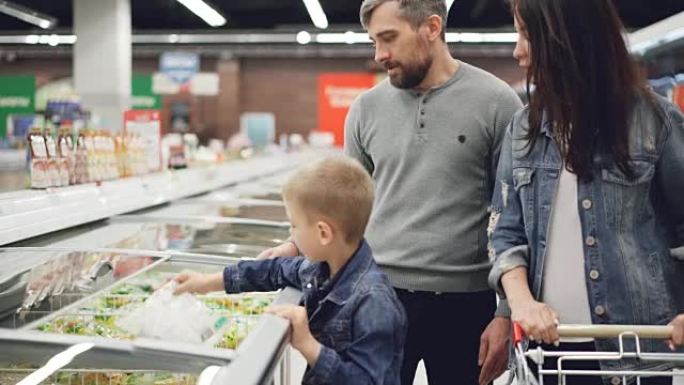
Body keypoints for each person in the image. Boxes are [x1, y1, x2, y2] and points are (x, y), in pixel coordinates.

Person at [260, 2, 522, 384]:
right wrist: (296, 245)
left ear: (431, 27)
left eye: (388, 38)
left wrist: (504, 313)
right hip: (376, 296)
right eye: (373, 42)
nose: (379, 55)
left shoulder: (498, 103)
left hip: (465, 306)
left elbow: (515, 215)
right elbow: (341, 203)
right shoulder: (366, 109)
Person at [488, 0, 684, 384]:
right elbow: (505, 233)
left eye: (527, 35)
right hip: (549, 355)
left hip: (637, 350)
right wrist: (522, 304)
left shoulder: (654, 121)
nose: (517, 51)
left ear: (567, 39)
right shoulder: (523, 130)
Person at [174, 156, 407, 385]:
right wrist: (207, 282)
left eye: (294, 225)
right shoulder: (319, 268)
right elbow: (273, 271)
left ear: (323, 233)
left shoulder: (374, 301)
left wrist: (308, 345)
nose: (291, 234)